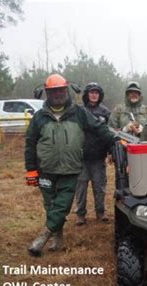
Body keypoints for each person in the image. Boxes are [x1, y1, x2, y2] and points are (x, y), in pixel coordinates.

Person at [25, 74, 117, 256]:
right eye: (53, 91)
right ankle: (58, 238)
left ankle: (44, 236)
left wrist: (115, 139)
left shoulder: (79, 113)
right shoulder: (39, 117)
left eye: (61, 90)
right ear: (47, 93)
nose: (58, 94)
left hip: (70, 169)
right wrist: (31, 170)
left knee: (62, 205)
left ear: (67, 91)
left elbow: (99, 128)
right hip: (45, 170)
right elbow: (30, 143)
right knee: (50, 205)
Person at [74, 82, 111, 226]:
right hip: (82, 156)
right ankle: (80, 214)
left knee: (99, 186)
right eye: (91, 92)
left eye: (96, 92)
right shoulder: (80, 111)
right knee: (81, 186)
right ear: (87, 94)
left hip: (98, 156)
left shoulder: (105, 112)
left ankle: (100, 212)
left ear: (100, 95)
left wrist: (110, 152)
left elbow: (109, 133)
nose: (94, 94)